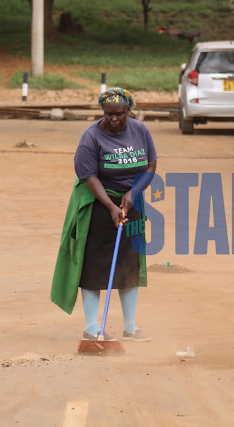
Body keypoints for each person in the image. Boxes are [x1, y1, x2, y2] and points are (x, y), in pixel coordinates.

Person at [51, 88, 157, 343]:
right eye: (109, 114)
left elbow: (151, 165)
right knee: (95, 267)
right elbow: (88, 176)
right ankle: (91, 329)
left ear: (128, 111)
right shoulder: (91, 137)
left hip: (132, 202)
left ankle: (130, 327)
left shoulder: (140, 130)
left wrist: (133, 193)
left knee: (129, 263)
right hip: (98, 204)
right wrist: (111, 206)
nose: (114, 119)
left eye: (119, 114)